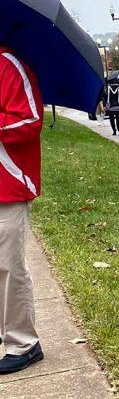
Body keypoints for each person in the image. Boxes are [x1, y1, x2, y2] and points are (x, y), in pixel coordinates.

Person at [0, 47, 45, 375]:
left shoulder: (7, 63)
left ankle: (23, 343)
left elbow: (30, 119)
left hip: (8, 184)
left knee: (8, 267)